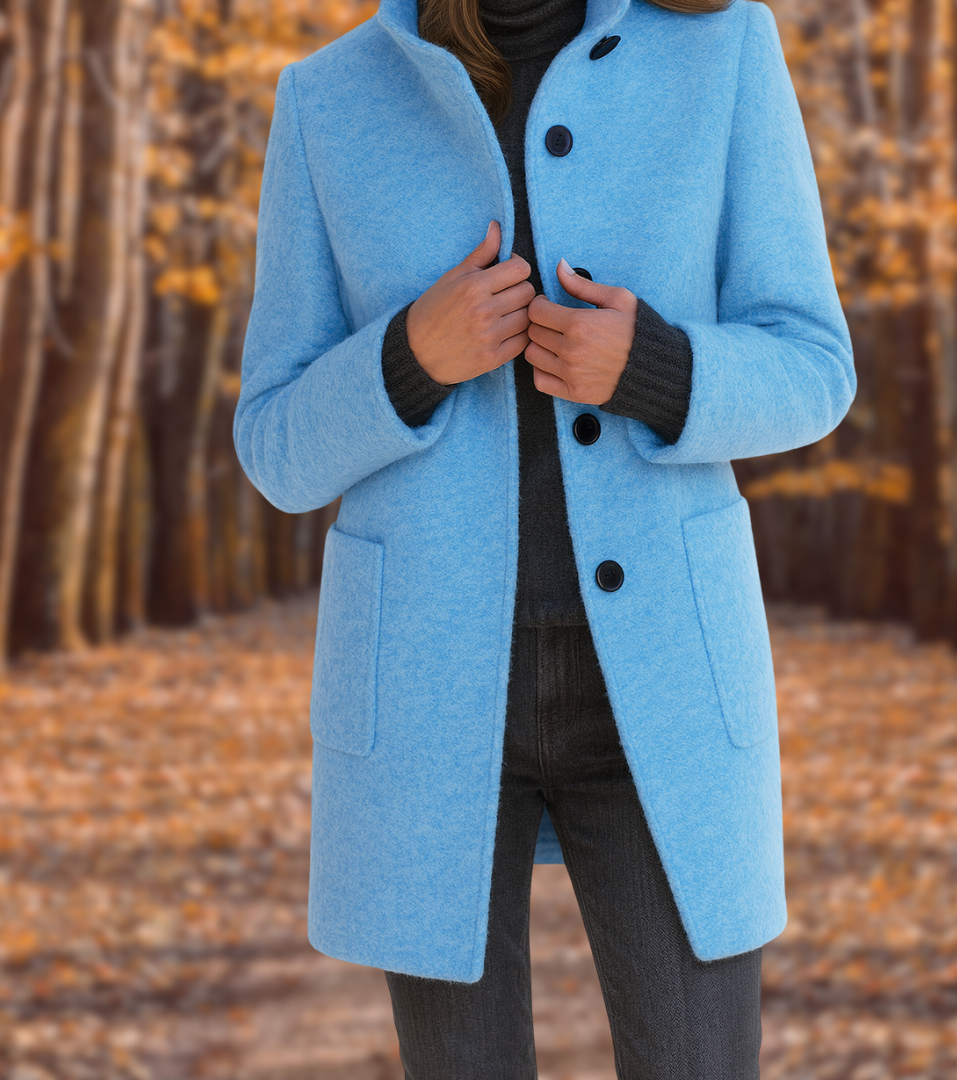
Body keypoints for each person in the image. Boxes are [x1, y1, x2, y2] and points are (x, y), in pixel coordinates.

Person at [233, 0, 855, 1071]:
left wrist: (655, 368)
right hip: (427, 695)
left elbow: (815, 366)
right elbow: (273, 444)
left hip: (660, 678)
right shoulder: (329, 97)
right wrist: (408, 358)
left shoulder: (723, 48)